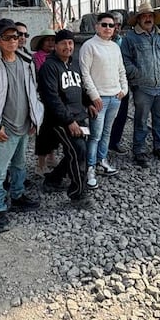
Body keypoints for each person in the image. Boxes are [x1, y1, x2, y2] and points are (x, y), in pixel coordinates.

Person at [0, 18, 44, 233]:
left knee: (20, 165)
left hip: (24, 126)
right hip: (3, 129)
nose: (13, 40)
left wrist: (34, 117)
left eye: (16, 36)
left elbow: (33, 92)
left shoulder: (26, 62)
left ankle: (18, 195)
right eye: (7, 37)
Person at [37, 29, 95, 209]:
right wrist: (70, 121)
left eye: (70, 43)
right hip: (60, 120)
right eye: (63, 43)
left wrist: (89, 102)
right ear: (56, 45)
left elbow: (79, 89)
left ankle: (53, 180)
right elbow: (52, 98)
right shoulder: (49, 67)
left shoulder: (74, 64)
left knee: (77, 151)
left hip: (78, 116)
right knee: (78, 151)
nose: (68, 47)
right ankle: (78, 194)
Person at [78, 12, 128, 189]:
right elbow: (85, 74)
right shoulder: (89, 46)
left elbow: (121, 70)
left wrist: (124, 89)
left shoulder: (115, 47)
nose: (108, 28)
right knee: (95, 135)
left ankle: (102, 161)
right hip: (99, 99)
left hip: (115, 97)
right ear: (97, 26)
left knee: (106, 133)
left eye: (111, 25)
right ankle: (90, 167)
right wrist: (94, 96)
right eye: (104, 25)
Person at [121, 2, 160, 167]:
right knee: (141, 120)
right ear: (138, 19)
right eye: (144, 16)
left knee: (159, 119)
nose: (148, 19)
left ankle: (159, 146)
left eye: (150, 16)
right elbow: (125, 59)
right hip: (142, 87)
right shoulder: (130, 38)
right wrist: (136, 74)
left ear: (154, 18)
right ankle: (139, 150)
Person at [30, 28, 58, 175]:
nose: (51, 43)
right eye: (48, 40)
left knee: (54, 131)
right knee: (42, 133)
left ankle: (51, 158)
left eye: (53, 40)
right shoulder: (35, 59)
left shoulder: (57, 57)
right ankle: (40, 164)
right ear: (41, 42)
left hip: (56, 100)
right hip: (42, 100)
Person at [107, 11, 131, 155]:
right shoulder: (98, 43)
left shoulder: (124, 42)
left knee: (121, 114)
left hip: (121, 85)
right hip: (105, 86)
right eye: (112, 24)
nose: (115, 27)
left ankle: (114, 142)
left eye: (118, 24)